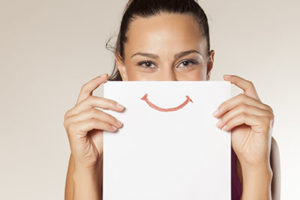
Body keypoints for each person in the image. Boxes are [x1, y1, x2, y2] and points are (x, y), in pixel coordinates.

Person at [63, 0, 281, 199]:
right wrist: (86, 167)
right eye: (147, 64)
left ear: (209, 66)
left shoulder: (251, 144)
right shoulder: (95, 148)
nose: (168, 82)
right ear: (123, 67)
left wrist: (255, 167)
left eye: (186, 63)